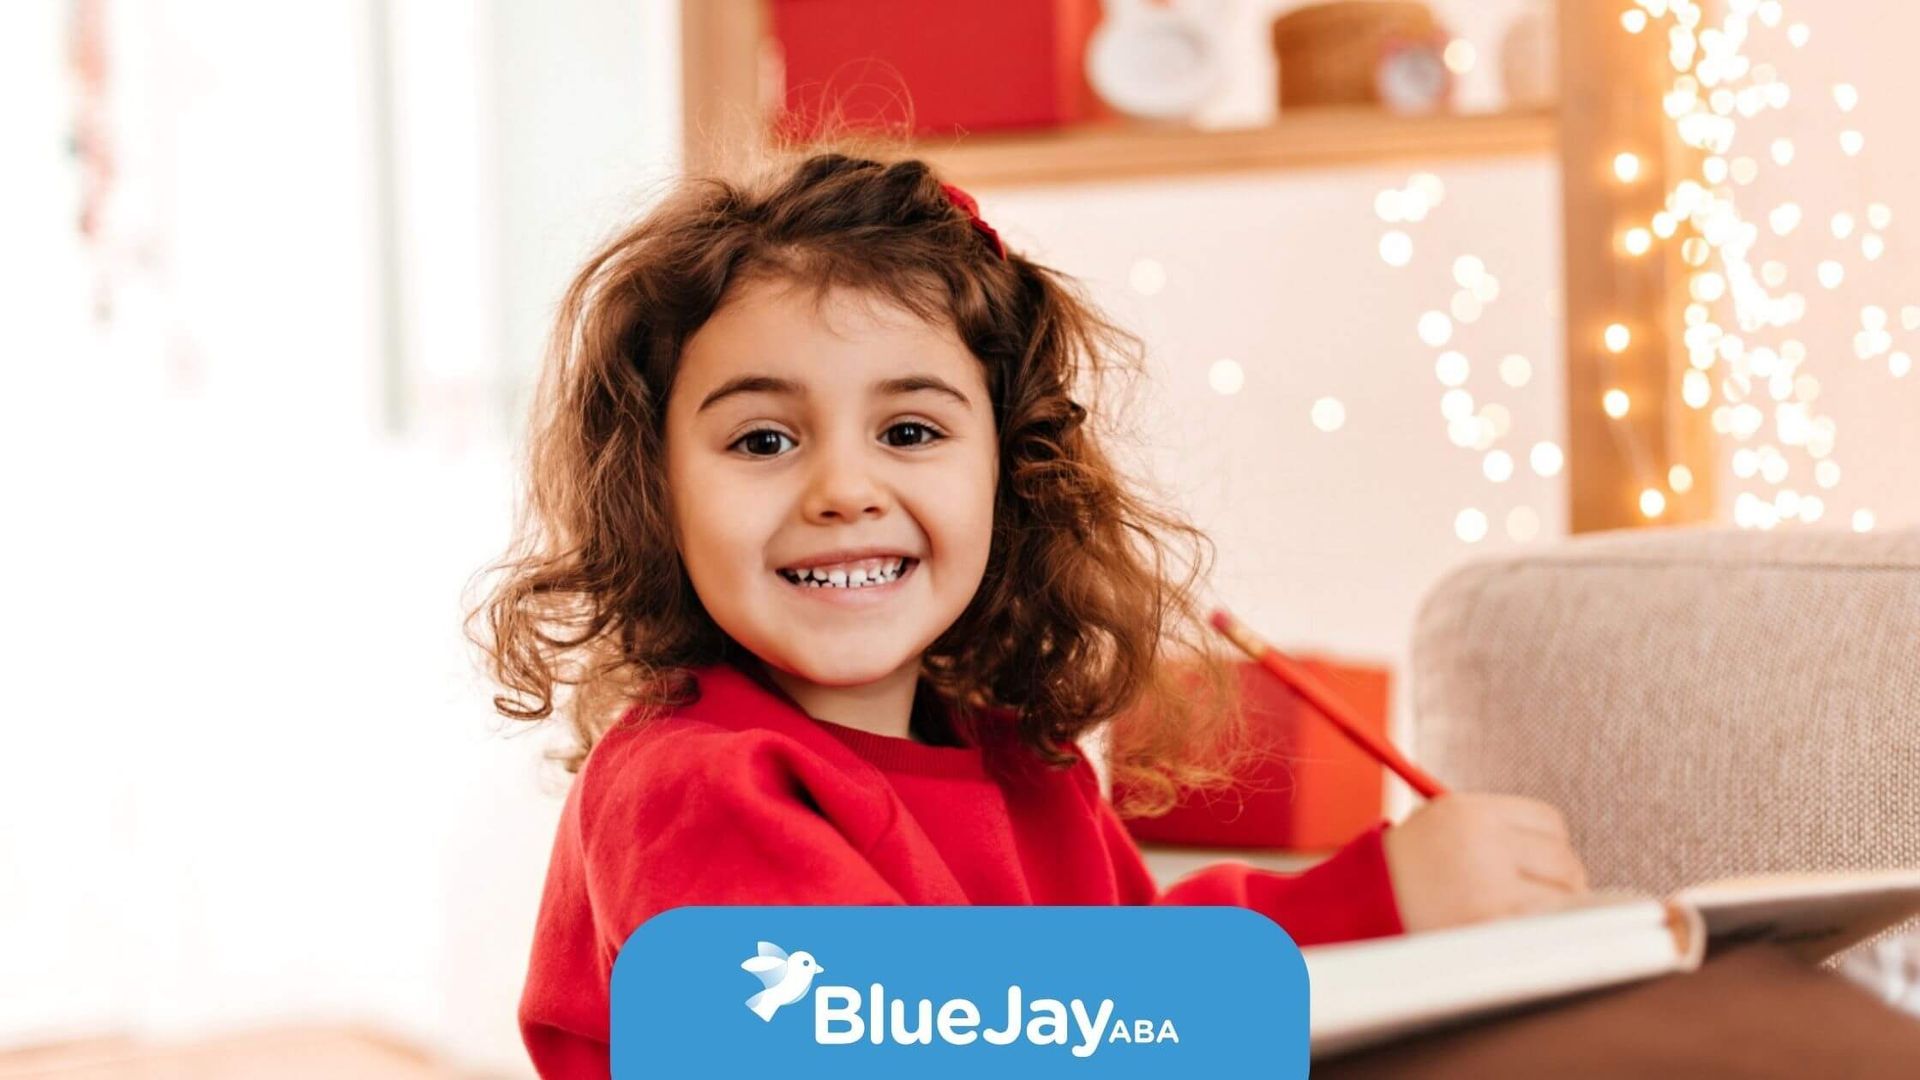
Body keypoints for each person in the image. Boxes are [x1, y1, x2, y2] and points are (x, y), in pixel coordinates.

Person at [467, 140, 1591, 1078]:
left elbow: (1123, 989)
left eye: (910, 432)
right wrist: (1364, 913)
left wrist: (1387, 903)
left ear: (1012, 477)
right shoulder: (691, 786)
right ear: (656, 492)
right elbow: (921, 1034)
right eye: (764, 440)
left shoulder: (1025, 766)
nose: (845, 489)